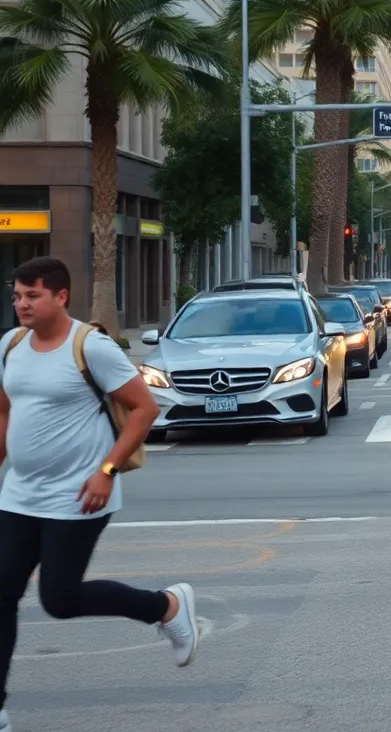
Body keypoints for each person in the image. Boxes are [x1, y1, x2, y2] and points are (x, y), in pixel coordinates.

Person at [0, 258, 200, 732]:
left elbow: (143, 409)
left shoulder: (90, 347)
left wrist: (106, 471)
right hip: (19, 495)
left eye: (32, 296)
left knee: (61, 598)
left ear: (61, 297)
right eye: (16, 295)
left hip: (78, 496)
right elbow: (6, 415)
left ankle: (166, 606)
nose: (21, 304)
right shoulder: (9, 346)